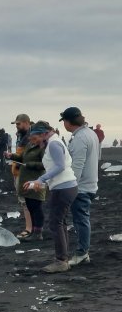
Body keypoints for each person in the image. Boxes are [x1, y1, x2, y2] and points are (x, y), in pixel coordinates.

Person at [22, 121, 78, 273]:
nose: (31, 140)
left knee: (55, 223)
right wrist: (41, 183)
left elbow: (60, 166)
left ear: (43, 133)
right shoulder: (52, 142)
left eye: (34, 137)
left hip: (64, 188)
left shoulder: (53, 144)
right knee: (60, 222)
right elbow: (58, 166)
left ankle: (61, 261)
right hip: (65, 186)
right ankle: (63, 258)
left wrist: (41, 180)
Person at [60, 106, 100, 265]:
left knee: (81, 219)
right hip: (90, 183)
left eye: (64, 120)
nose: (63, 124)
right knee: (82, 218)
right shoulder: (91, 134)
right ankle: (83, 251)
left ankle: (82, 252)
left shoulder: (80, 138)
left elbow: (77, 165)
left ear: (69, 122)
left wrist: (70, 186)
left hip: (81, 186)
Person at [5, 127, 45, 241]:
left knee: (36, 206)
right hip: (26, 180)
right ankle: (32, 231)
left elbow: (44, 164)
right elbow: (22, 157)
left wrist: (29, 164)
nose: (31, 138)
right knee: (30, 205)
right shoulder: (29, 146)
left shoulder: (42, 148)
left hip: (36, 180)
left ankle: (38, 233)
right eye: (30, 137)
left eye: (33, 137)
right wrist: (11, 156)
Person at [10, 114, 32, 237]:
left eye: (18, 124)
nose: (17, 126)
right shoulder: (21, 135)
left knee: (26, 200)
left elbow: (28, 156)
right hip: (19, 171)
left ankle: (29, 228)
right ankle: (31, 227)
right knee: (25, 200)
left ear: (26, 123)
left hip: (25, 172)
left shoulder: (29, 137)